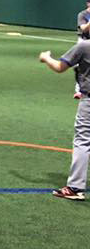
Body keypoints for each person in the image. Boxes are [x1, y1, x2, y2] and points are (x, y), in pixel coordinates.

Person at [39, 40, 90, 200]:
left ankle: (75, 187)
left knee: (83, 141)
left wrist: (46, 58)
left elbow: (60, 67)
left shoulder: (84, 46)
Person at [74, 0, 90, 99]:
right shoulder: (82, 14)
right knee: (79, 66)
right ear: (88, 3)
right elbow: (84, 28)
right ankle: (78, 90)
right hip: (83, 41)